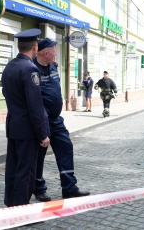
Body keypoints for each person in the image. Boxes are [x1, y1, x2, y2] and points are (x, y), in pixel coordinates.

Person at [32, 38, 90, 201]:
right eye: (54, 50)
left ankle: (69, 187)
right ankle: (38, 188)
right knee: (39, 155)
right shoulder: (32, 70)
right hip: (42, 121)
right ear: (46, 53)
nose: (56, 53)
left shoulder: (53, 67)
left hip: (56, 120)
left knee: (66, 146)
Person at [1, 28, 50, 207]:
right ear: (35, 47)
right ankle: (21, 210)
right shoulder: (30, 70)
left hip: (13, 126)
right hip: (28, 129)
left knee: (13, 169)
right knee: (26, 170)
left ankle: (10, 204)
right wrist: (43, 134)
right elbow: (35, 107)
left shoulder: (10, 66)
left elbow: (7, 94)